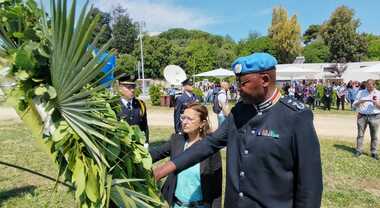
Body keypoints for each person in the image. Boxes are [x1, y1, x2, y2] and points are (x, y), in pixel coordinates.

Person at [154, 52, 323, 208]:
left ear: (264, 80)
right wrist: (166, 168)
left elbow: (310, 185)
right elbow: (210, 143)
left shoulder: (295, 117)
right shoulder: (240, 112)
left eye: (243, 83)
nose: (238, 88)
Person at [150, 103, 222, 208]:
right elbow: (155, 153)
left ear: (202, 123)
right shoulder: (177, 141)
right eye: (183, 118)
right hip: (176, 205)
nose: (184, 122)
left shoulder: (210, 149)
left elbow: (217, 186)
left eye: (190, 119)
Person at [117, 74, 149, 145]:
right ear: (120, 88)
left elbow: (144, 127)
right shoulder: (114, 105)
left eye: (133, 87)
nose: (132, 90)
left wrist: (146, 143)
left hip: (137, 146)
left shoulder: (141, 104)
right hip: (121, 146)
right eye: (128, 87)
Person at [353, 79, 380, 160]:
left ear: (374, 85)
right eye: (367, 86)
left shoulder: (378, 93)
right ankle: (359, 150)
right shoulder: (361, 92)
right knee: (360, 135)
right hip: (362, 116)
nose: (368, 87)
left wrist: (376, 103)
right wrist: (361, 101)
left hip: (375, 116)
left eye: (370, 86)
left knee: (374, 135)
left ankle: (374, 152)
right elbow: (354, 104)